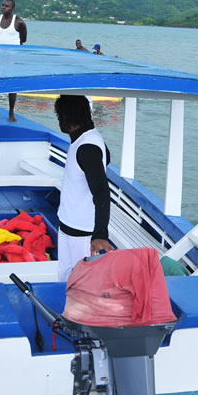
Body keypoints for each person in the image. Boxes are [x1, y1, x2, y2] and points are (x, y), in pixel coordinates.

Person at [54, 95, 115, 280]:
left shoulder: (87, 148)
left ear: (69, 117)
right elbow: (107, 158)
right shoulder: (87, 138)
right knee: (64, 277)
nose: (59, 122)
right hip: (67, 224)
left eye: (60, 117)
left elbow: (102, 193)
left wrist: (100, 235)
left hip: (81, 233)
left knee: (80, 281)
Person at [0, 0, 27, 122]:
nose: (3, 7)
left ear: (12, 8)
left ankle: (11, 112)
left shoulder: (19, 22)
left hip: (13, 59)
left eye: (6, 6)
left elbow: (23, 40)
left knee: (11, 86)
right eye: (2, 5)